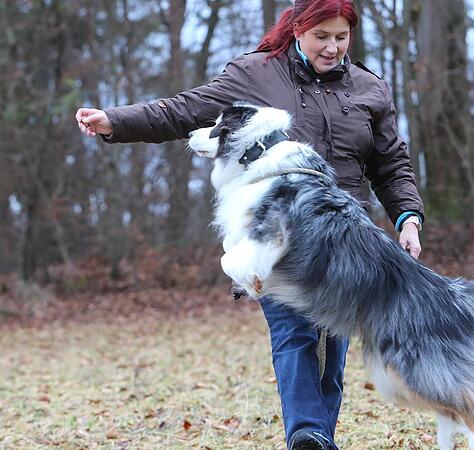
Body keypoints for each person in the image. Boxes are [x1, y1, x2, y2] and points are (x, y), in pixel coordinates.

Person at [75, 1, 424, 448]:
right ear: (298, 29)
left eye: (341, 37)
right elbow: (186, 110)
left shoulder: (368, 88)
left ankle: (318, 435)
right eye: (321, 36)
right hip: (275, 234)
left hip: (342, 238)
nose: (332, 47)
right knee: (295, 333)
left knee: (332, 346)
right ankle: (307, 435)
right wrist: (114, 121)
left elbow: (390, 164)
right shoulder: (256, 74)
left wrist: (408, 218)